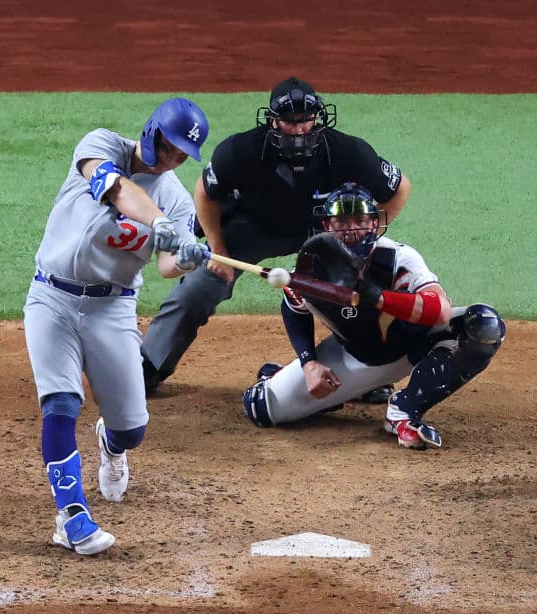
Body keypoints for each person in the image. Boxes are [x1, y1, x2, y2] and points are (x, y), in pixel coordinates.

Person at [141, 77, 412, 403]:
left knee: (357, 287)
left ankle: (362, 371)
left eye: (306, 120)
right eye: (289, 121)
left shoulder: (346, 151)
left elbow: (400, 188)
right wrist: (218, 247)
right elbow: (204, 192)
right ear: (272, 120)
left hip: (323, 232)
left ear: (319, 118)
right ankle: (149, 367)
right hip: (253, 227)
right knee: (201, 285)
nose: (298, 129)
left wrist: (361, 241)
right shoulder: (242, 150)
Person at [23, 98, 212, 555]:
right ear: (152, 131)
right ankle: (71, 516)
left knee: (132, 430)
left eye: (181, 154)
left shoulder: (178, 201)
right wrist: (159, 222)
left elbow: (167, 264)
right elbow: (114, 187)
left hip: (112, 311)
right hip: (52, 298)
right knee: (61, 402)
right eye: (168, 146)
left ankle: (111, 443)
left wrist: (185, 256)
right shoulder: (100, 144)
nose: (171, 159)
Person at [241, 182, 505, 449]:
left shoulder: (399, 258)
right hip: (355, 359)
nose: (351, 229)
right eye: (341, 221)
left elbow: (440, 310)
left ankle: (404, 410)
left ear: (373, 224)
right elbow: (293, 308)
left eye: (360, 220)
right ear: (328, 226)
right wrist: (308, 363)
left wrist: (378, 297)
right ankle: (297, 381)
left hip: (416, 345)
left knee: (484, 326)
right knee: (259, 407)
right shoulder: (314, 268)